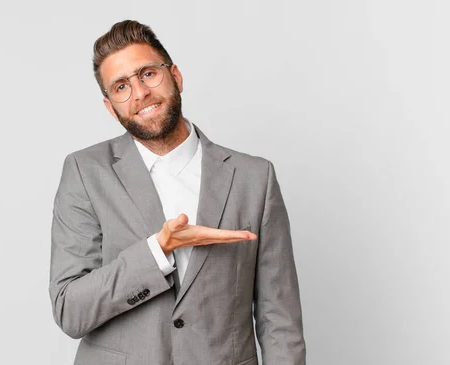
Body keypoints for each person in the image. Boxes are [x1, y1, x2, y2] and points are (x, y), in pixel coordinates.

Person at [49, 20, 306, 365]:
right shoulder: (85, 172)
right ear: (111, 107)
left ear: (176, 77)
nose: (139, 93)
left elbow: (281, 320)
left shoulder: (254, 178)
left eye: (148, 74)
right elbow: (70, 310)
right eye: (121, 86)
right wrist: (158, 249)